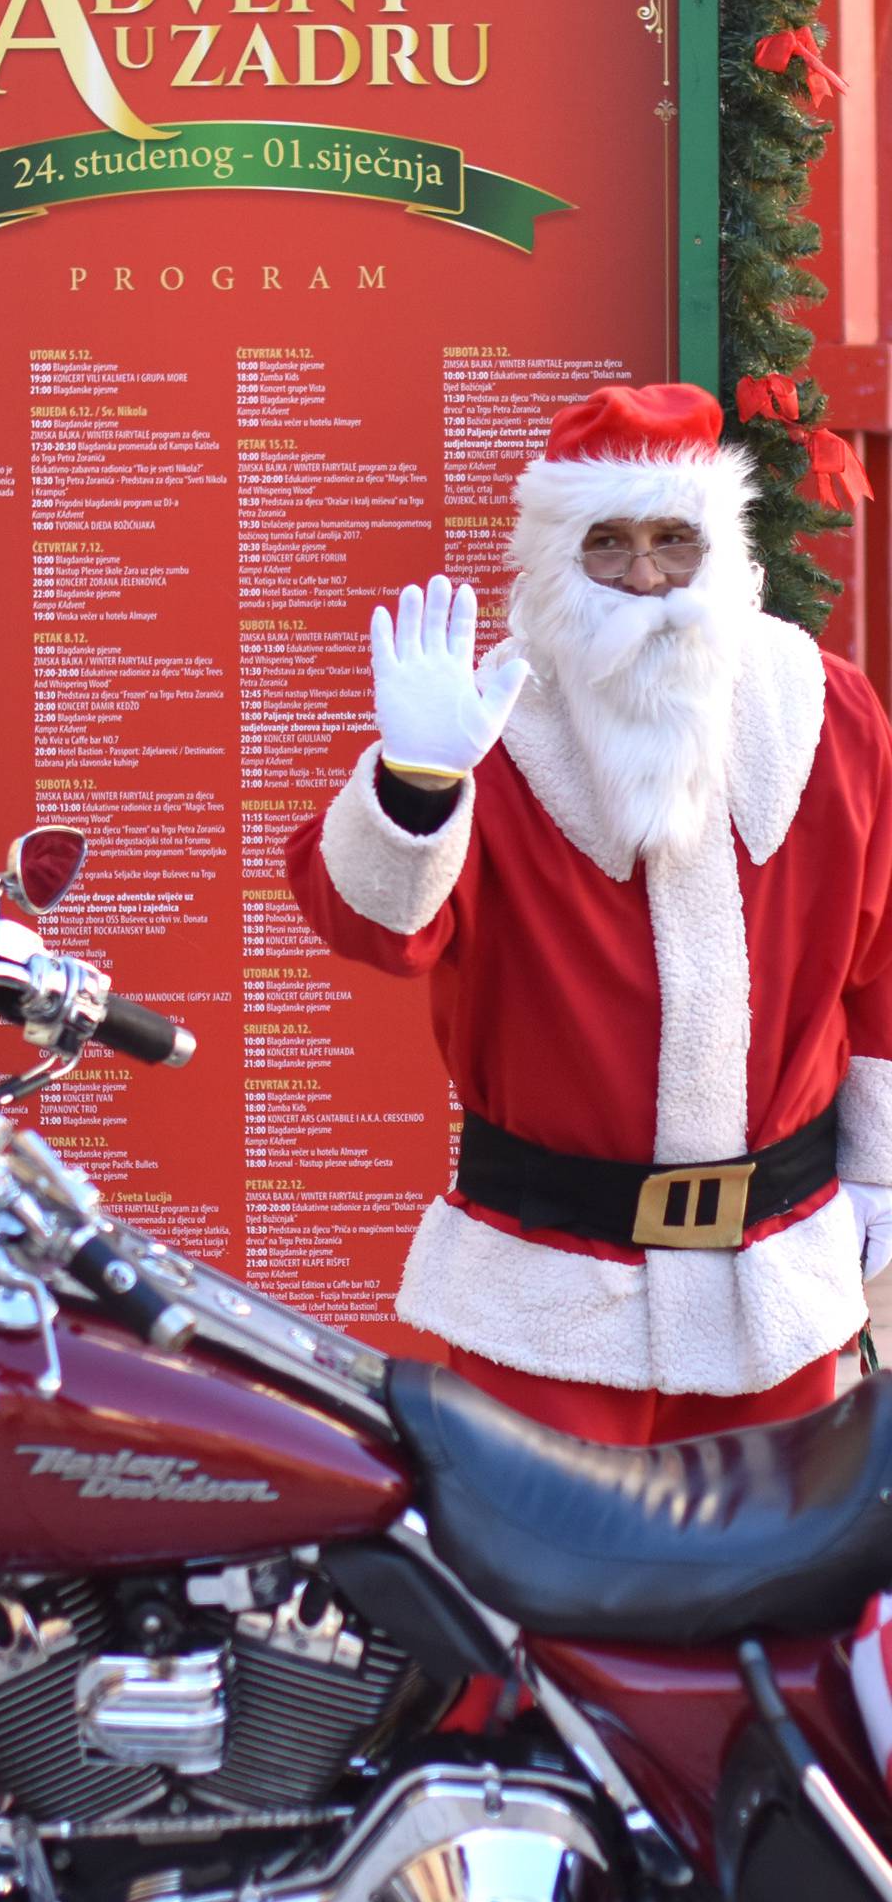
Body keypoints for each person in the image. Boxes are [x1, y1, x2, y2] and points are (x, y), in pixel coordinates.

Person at [285, 381, 892, 1446]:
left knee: (771, 1602)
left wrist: (878, 1169)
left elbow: (883, 964)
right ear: (560, 563)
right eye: (608, 544)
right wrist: (417, 784)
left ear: (721, 544)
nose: (648, 578)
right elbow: (373, 927)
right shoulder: (488, 730)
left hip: (778, 1289)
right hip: (549, 1298)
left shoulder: (828, 713)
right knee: (530, 1603)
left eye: (674, 541)